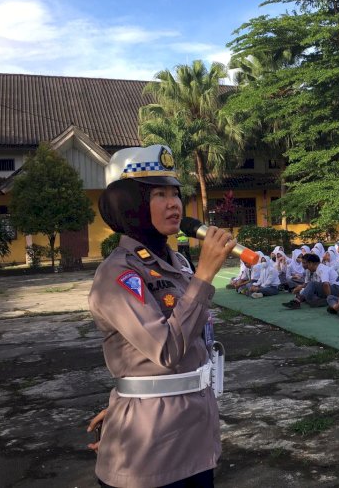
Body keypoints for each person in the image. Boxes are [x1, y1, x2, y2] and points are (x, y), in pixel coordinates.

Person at [87, 145, 230, 488]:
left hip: (193, 434)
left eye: (175, 193)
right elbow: (165, 349)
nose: (174, 204)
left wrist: (130, 399)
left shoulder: (177, 264)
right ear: (131, 204)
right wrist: (205, 275)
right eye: (159, 194)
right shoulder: (118, 274)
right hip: (150, 452)